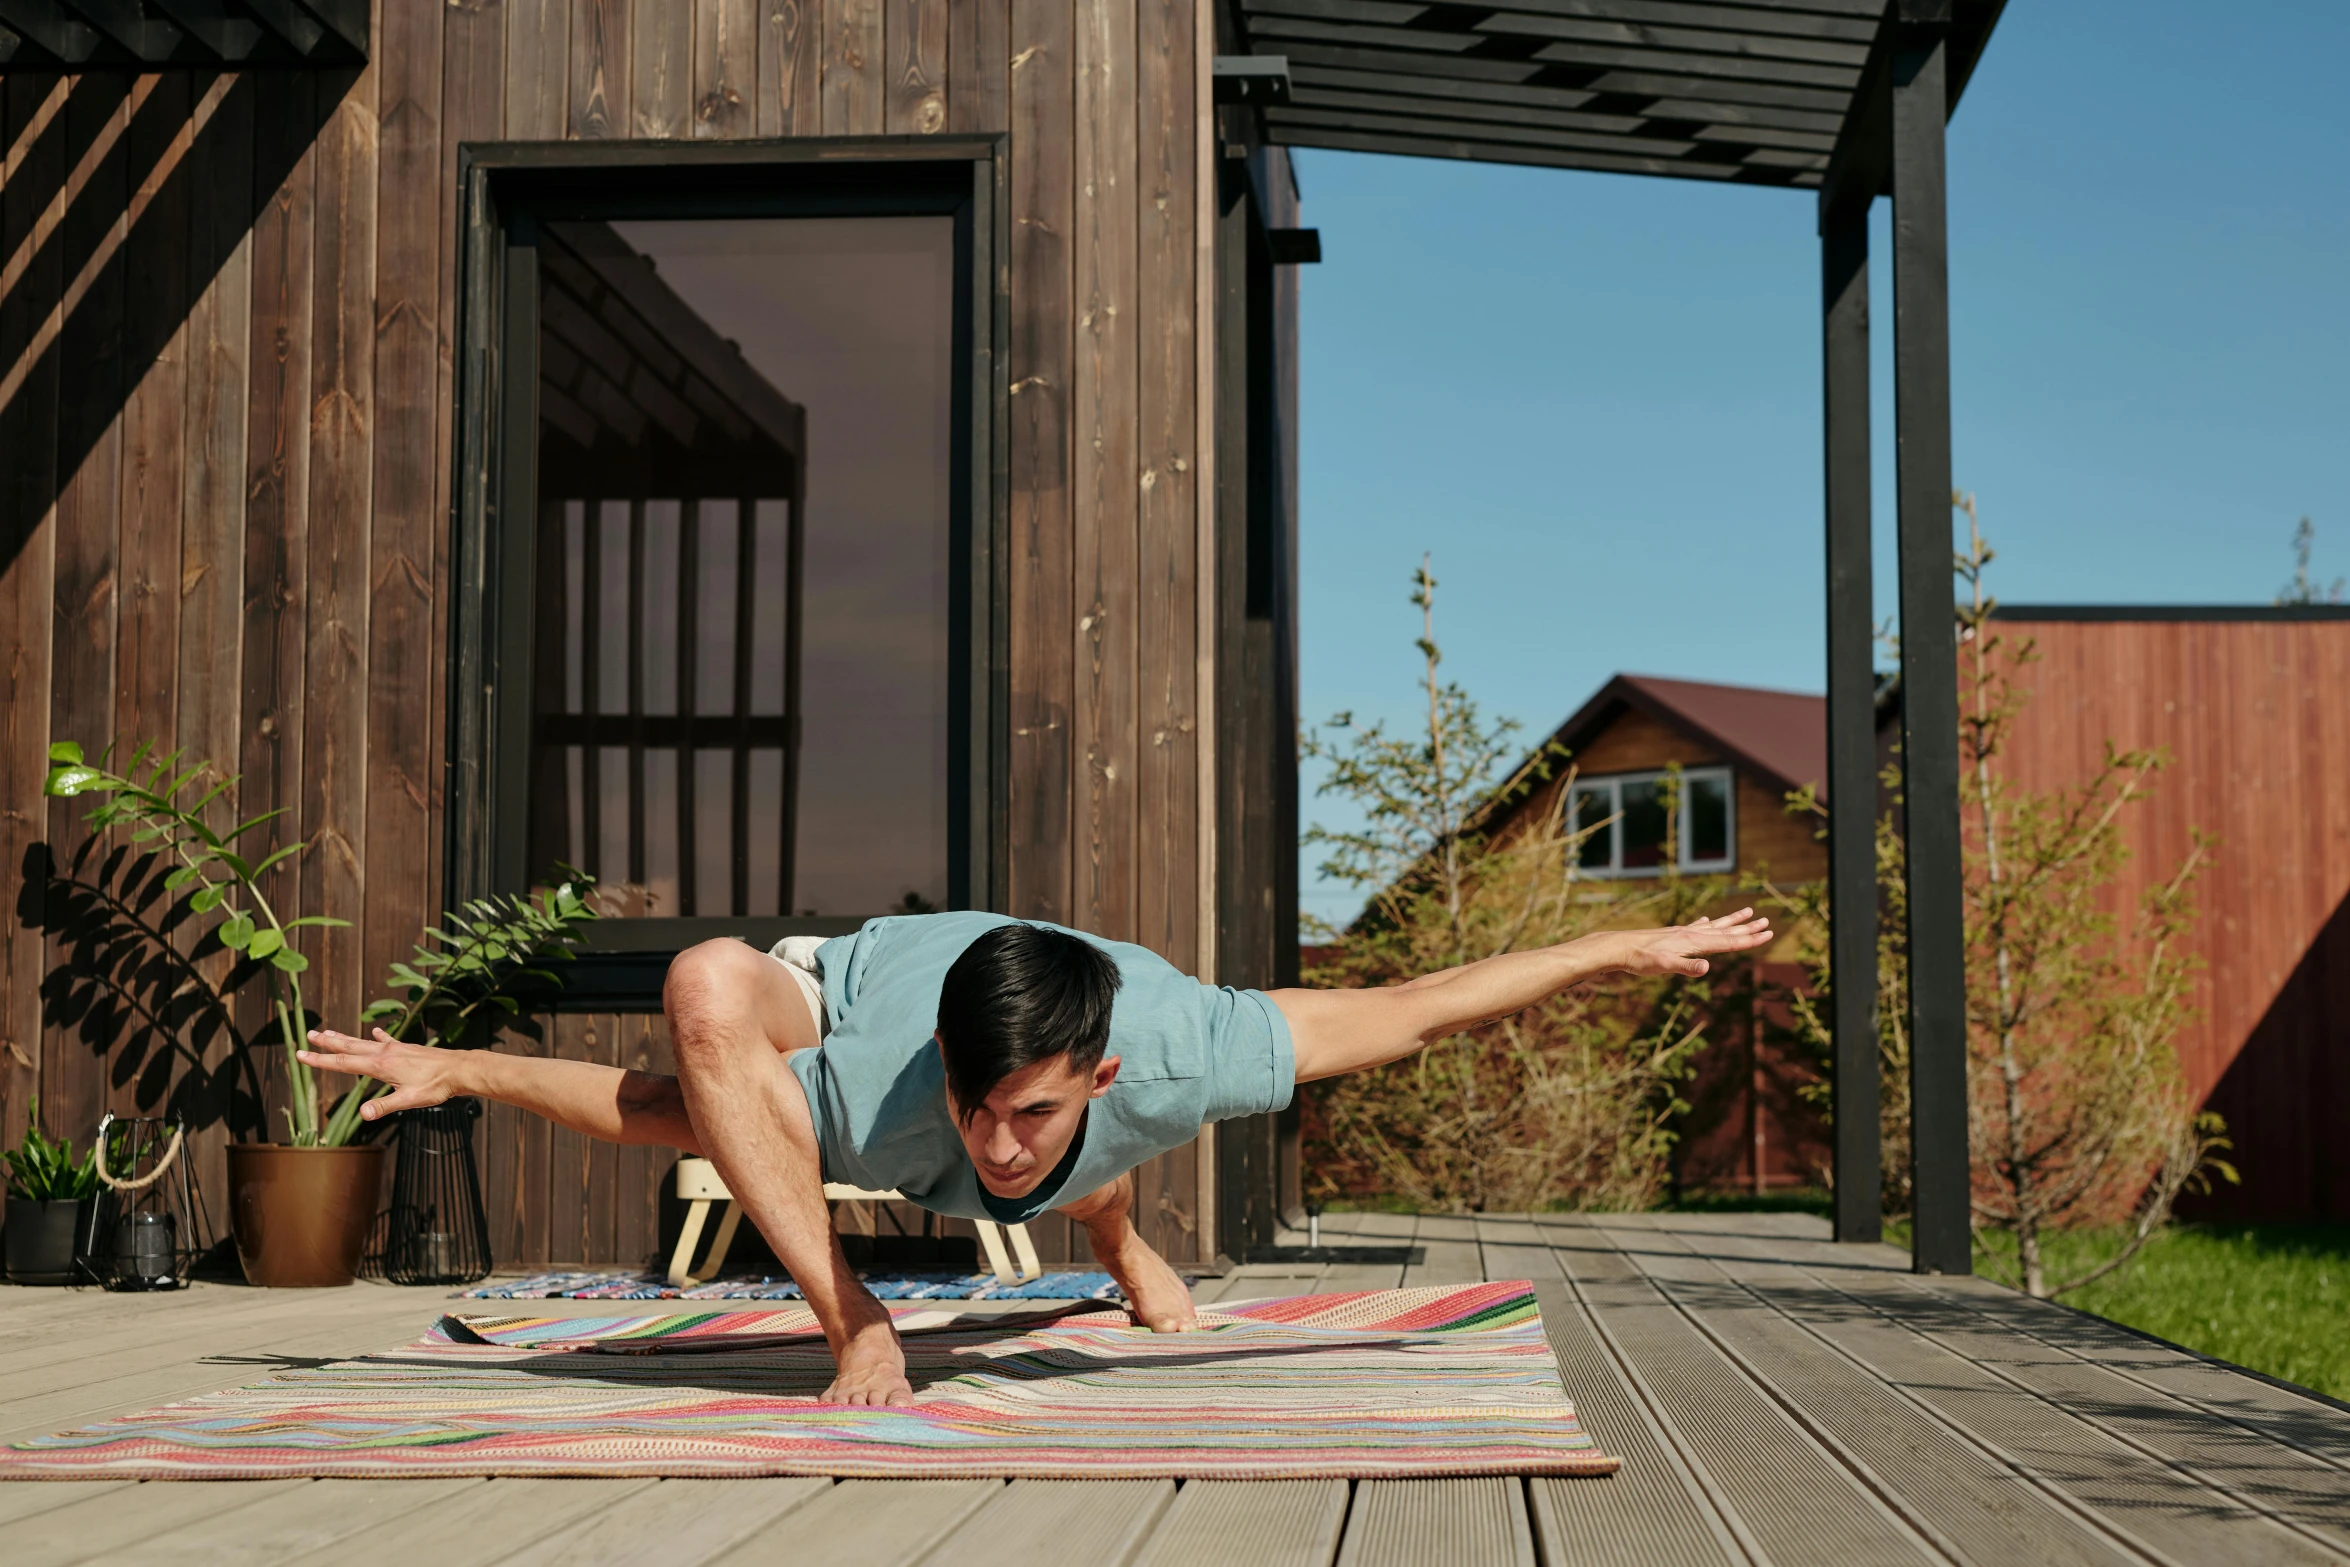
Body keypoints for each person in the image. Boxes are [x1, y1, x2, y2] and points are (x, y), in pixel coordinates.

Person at [300, 906, 1772, 1407]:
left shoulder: (1185, 1052)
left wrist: (1621, 944)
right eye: (978, 1109)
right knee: (696, 985)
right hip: (857, 975)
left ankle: (1119, 1240)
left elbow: (1411, 1006)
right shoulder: (868, 1086)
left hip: (1107, 1099)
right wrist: (455, 1069)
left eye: (1034, 1114)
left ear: (1100, 1073)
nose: (997, 1150)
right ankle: (850, 1308)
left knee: (1093, 1178)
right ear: (946, 1073)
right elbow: (648, 1105)